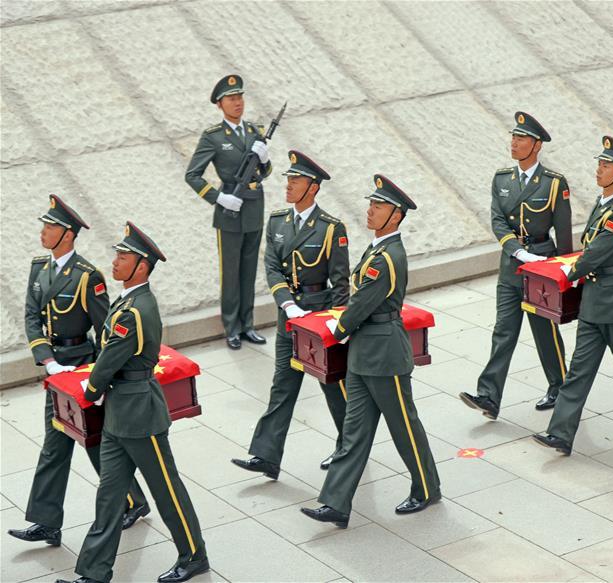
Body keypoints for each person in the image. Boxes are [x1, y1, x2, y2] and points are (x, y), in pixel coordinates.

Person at [61, 223, 208, 583]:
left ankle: (194, 555)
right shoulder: (127, 300)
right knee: (110, 497)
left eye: (123, 257)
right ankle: (94, 572)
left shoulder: (135, 311)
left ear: (141, 266)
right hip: (119, 414)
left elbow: (109, 360)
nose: (115, 262)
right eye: (117, 255)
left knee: (167, 491)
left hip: (140, 415)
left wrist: (90, 391)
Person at [8, 195, 149, 550]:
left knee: (94, 442)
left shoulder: (88, 277)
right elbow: (31, 316)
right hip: (57, 370)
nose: (43, 232)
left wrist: (101, 381)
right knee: (55, 445)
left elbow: (105, 333)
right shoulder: (39, 267)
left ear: (67, 235)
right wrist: (47, 359)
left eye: (50, 227)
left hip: (83, 368)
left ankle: (133, 501)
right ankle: (46, 522)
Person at [301, 175, 440, 528]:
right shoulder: (377, 248)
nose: (370, 211)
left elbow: (362, 301)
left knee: (403, 426)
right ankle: (335, 503)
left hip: (384, 354)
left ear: (395, 216)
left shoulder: (388, 256)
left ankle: (427, 488)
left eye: (378, 207)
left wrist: (339, 328)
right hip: (364, 353)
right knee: (354, 432)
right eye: (371, 204)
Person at [232, 150, 350, 477]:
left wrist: (337, 326)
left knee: (333, 385)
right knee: (282, 385)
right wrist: (287, 304)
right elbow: (272, 267)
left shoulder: (330, 229)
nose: (289, 185)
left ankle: (349, 447)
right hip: (290, 317)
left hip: (319, 318)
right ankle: (266, 455)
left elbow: (341, 284)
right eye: (289, 179)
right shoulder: (278, 222)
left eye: (296, 180)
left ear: (313, 188)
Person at [533, 136, 613, 454]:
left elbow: (594, 254)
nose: (600, 170)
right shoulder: (603, 207)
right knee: (578, 370)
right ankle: (560, 433)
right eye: (599, 164)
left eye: (607, 165)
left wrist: (565, 274)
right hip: (593, 301)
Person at [459, 111, 572, 418]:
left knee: (544, 330)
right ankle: (489, 396)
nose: (514, 142)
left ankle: (560, 386)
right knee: (503, 330)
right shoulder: (502, 179)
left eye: (521, 138)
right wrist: (517, 251)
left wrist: (565, 274)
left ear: (536, 145)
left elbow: (563, 233)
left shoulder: (553, 183)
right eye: (513, 136)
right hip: (512, 264)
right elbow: (497, 220)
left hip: (543, 265)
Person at [184, 74, 272, 350]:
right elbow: (192, 175)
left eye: (240, 97)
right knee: (231, 273)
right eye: (232, 99)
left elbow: (265, 172)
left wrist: (266, 159)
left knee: (248, 271)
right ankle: (231, 328)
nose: (238, 103)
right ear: (220, 104)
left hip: (254, 207)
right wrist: (218, 198)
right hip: (230, 211)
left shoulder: (255, 132)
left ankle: (248, 325)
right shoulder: (213, 137)